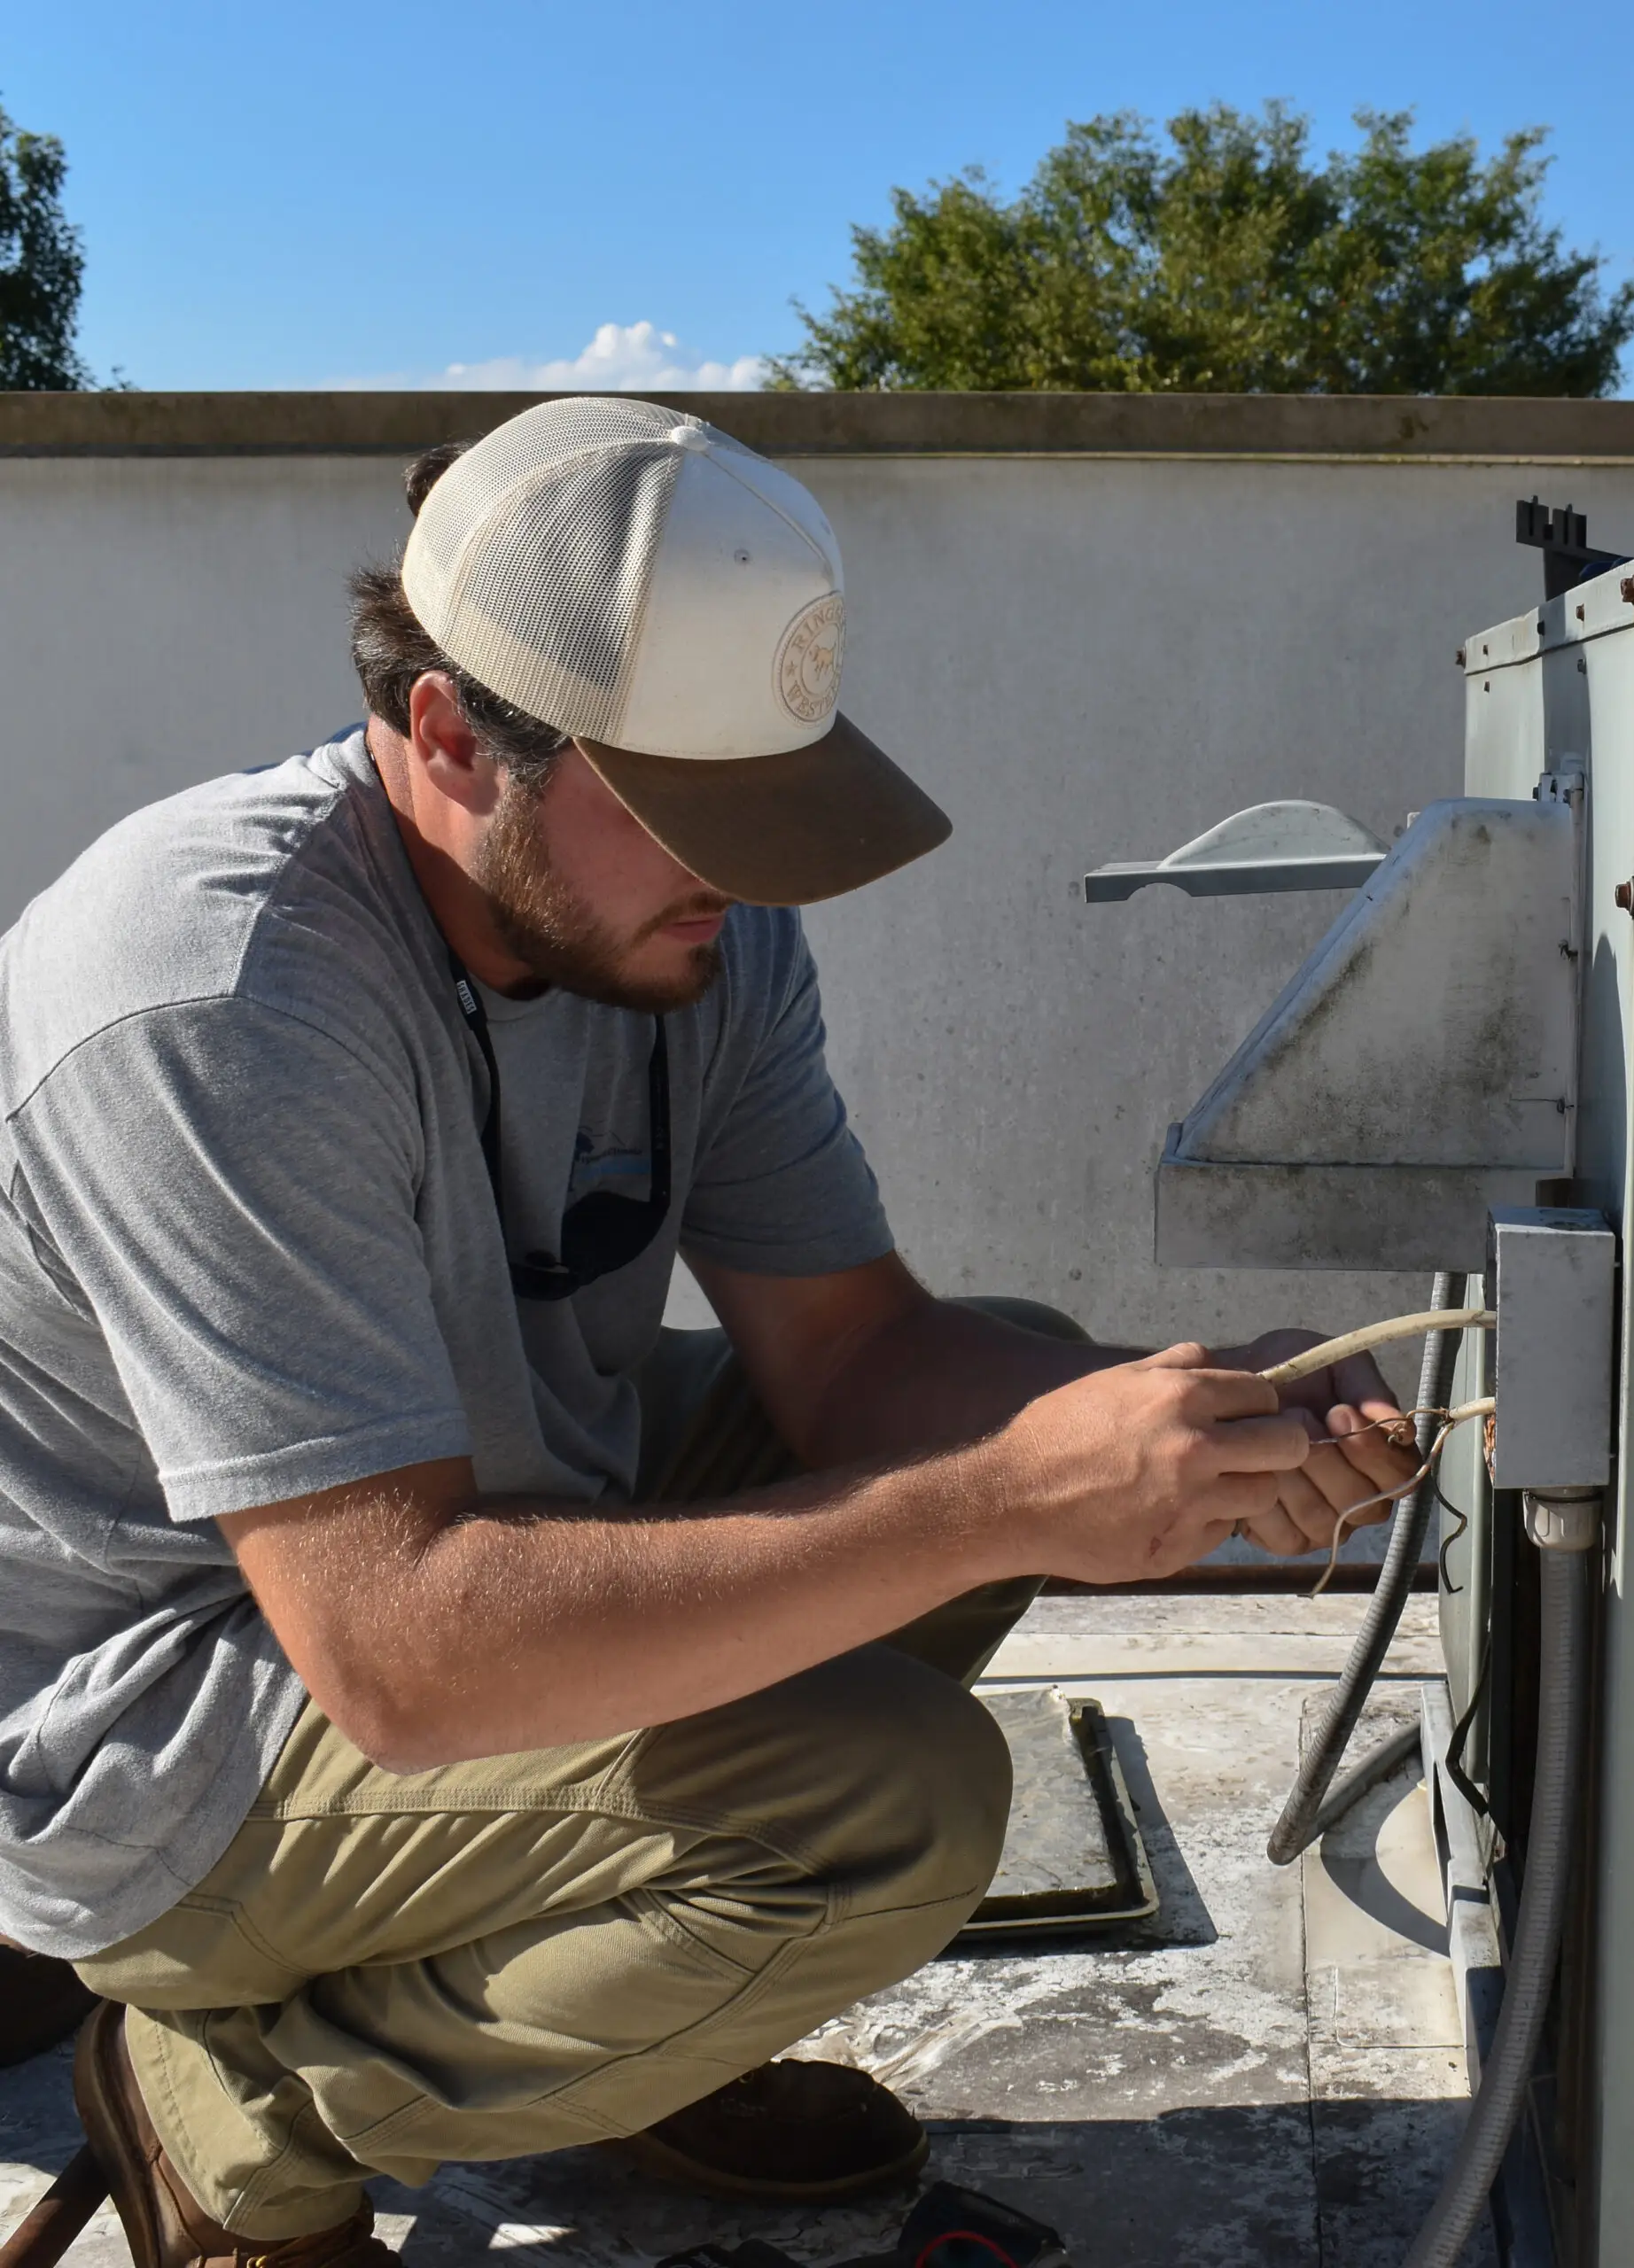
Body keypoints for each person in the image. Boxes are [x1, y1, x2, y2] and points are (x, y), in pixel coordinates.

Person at [0, 397, 1416, 2268]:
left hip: (432, 1559)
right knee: (884, 1804)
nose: (746, 881)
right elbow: (400, 1652)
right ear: (446, 735)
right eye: (691, 816)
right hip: (158, 1728)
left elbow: (851, 1360)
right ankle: (226, 2109)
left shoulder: (693, 936)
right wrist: (1005, 1497)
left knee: (1018, 1357)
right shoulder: (214, 990)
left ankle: (623, 2029)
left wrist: (1190, 1415)